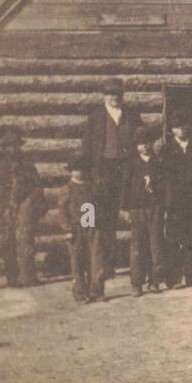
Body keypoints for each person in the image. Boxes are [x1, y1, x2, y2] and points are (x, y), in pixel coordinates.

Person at [80, 77, 141, 282]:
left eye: (118, 94)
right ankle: (107, 265)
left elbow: (142, 138)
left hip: (126, 170)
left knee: (130, 214)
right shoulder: (96, 117)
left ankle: (139, 266)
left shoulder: (132, 115)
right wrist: (88, 175)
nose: (114, 97)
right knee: (105, 219)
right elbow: (87, 147)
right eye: (110, 94)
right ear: (104, 95)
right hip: (104, 171)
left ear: (123, 95)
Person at [159, 114, 192, 288]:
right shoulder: (167, 150)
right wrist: (168, 199)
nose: (181, 130)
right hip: (175, 201)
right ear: (172, 130)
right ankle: (174, 278)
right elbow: (163, 178)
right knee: (174, 238)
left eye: (184, 126)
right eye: (177, 127)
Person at [0, 129, 44, 290]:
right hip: (6, 209)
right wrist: (4, 208)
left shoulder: (27, 166)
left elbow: (37, 186)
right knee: (7, 242)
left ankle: (28, 276)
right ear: (5, 148)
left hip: (25, 209)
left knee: (25, 240)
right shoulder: (0, 168)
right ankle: (12, 278)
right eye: (9, 146)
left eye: (15, 146)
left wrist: (29, 205)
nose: (13, 149)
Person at [120, 126, 165, 296]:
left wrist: (157, 193)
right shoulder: (131, 163)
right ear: (136, 146)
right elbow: (125, 186)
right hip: (137, 209)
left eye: (147, 143)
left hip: (154, 208)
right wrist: (125, 209)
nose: (144, 147)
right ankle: (136, 283)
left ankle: (154, 281)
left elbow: (164, 185)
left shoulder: (158, 162)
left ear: (152, 144)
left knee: (156, 246)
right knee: (137, 247)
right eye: (140, 144)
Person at [58, 157, 101, 303]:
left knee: (95, 261)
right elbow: (62, 211)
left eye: (82, 169)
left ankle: (96, 291)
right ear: (71, 172)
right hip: (76, 230)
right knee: (77, 263)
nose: (79, 172)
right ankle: (80, 293)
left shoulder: (92, 186)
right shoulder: (67, 189)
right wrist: (67, 229)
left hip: (92, 229)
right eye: (76, 170)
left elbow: (99, 206)